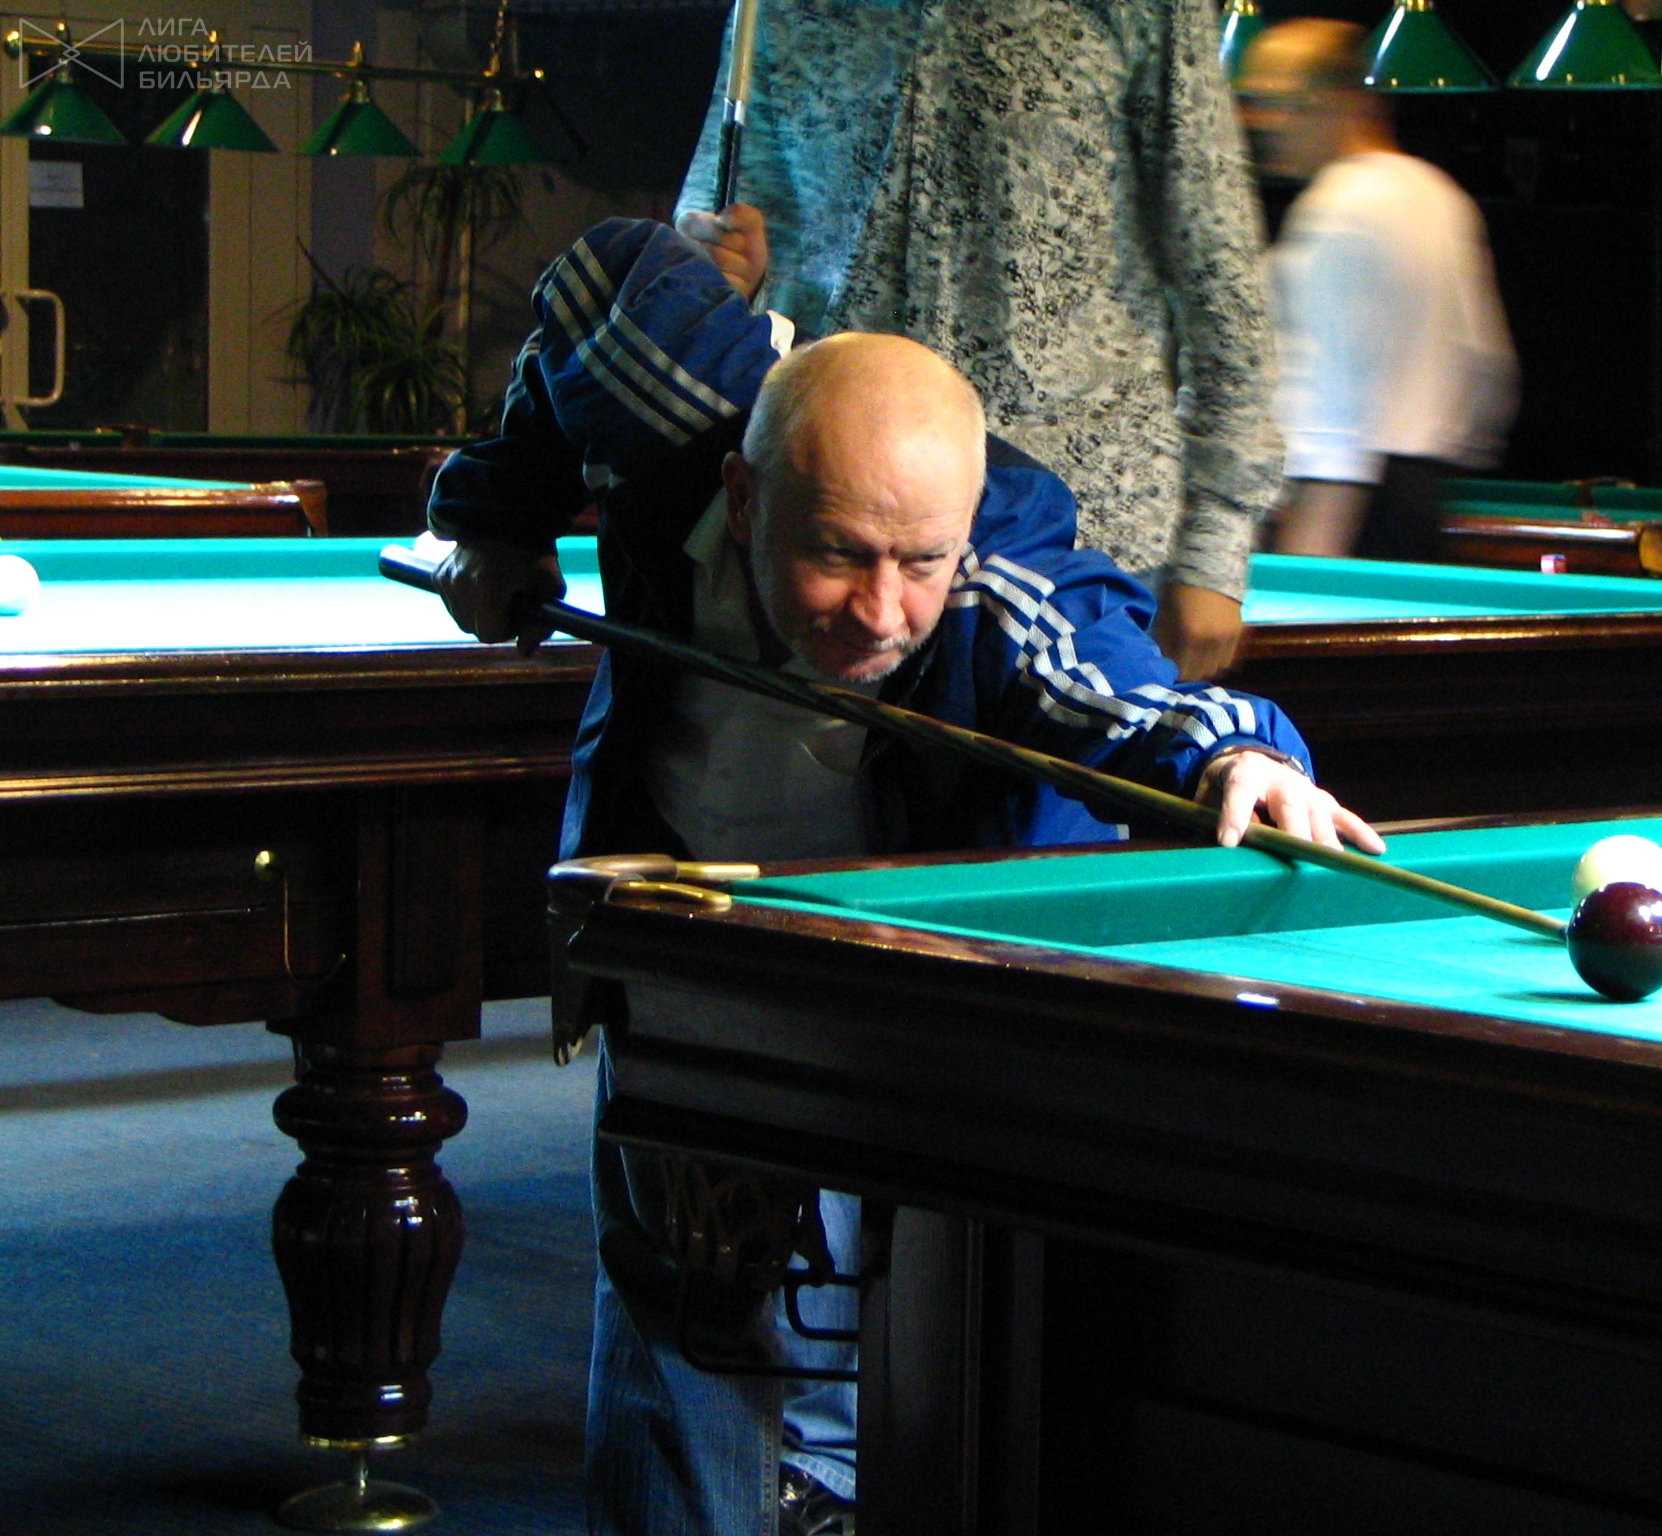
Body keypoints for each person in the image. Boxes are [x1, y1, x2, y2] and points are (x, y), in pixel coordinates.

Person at [424, 216, 1379, 1536]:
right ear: (743, 498)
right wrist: (494, 516)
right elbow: (586, 297)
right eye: (835, 554)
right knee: (684, 1286)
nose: (881, 612)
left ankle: (841, 1483)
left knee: (938, 1298)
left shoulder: (996, 561)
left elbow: (1107, 673)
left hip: (926, 954)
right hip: (691, 902)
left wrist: (1237, 755)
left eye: (918, 564)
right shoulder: (670, 387)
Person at [671, 0, 1284, 681]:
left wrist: (1215, 546)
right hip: (838, 544)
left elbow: (1222, 275)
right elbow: (711, 234)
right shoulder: (774, 9)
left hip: (1083, 544)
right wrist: (720, 268)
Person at [1238, 18, 1518, 562]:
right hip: (1420, 500)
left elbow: (1330, 417)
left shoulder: (1335, 208)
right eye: (1251, 103)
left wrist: (1310, 565)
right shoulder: (1440, 194)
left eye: (1280, 104)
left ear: (1340, 101)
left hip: (1345, 512)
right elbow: (1489, 378)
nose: (1262, 124)